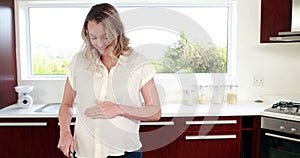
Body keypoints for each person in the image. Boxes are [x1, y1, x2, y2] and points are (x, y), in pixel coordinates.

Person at [57, 3, 161, 158]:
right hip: (85, 152)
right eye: (93, 37)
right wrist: (64, 131)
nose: (99, 43)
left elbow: (155, 111)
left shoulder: (138, 63)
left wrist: (119, 109)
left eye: (105, 37)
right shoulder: (78, 62)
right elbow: (66, 104)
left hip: (126, 153)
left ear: (117, 31)